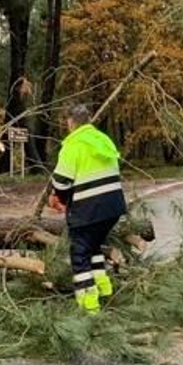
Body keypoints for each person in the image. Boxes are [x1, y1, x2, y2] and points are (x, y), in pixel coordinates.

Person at [48, 104, 127, 314]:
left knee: (79, 253)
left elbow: (61, 182)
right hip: (113, 207)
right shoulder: (103, 140)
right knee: (94, 247)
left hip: (89, 209)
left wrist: (58, 198)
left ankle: (88, 306)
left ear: (71, 122)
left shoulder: (73, 145)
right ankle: (105, 291)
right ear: (89, 119)